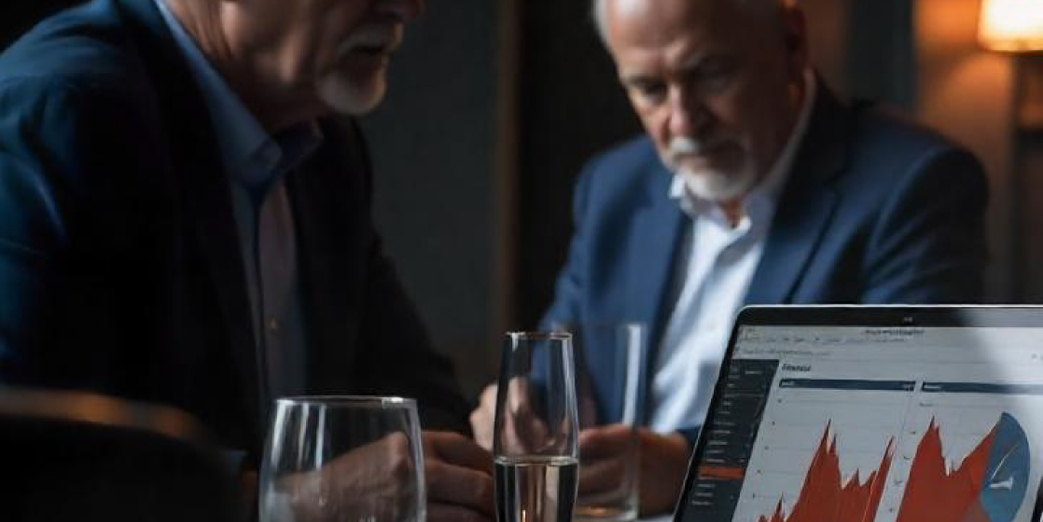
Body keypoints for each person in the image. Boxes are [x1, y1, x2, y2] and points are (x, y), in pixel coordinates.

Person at [466, 0, 988, 515]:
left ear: (791, 43)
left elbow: (900, 418)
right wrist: (522, 402)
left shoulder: (914, 183)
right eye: (649, 89)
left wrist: (690, 465)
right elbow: (562, 356)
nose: (683, 122)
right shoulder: (612, 187)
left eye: (711, 74)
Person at [0, 0, 495, 519]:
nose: (410, 8)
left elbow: (419, 401)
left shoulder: (327, 148)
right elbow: (27, 472)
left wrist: (481, 451)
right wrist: (294, 505)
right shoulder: (56, 114)